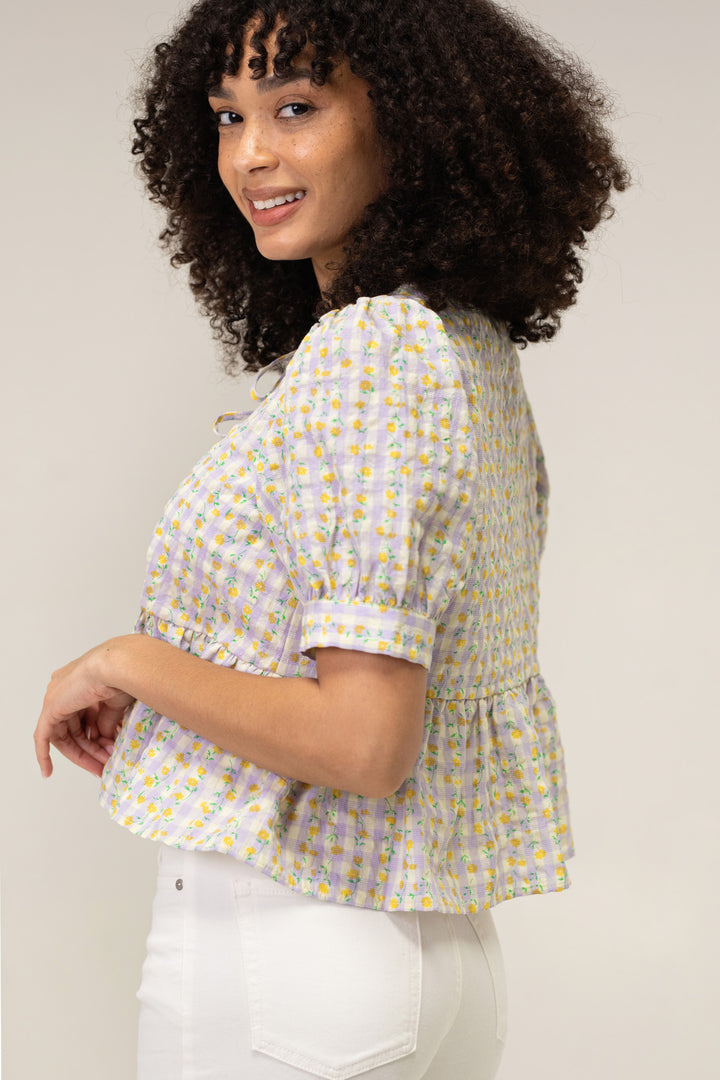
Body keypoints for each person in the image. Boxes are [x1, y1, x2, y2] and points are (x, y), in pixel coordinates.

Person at [34, 1, 629, 1077]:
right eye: (228, 115)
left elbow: (364, 742)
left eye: (296, 107)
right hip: (423, 957)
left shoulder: (373, 352)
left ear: (409, 119)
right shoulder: (457, 342)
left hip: (288, 958)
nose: (251, 155)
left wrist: (128, 662)